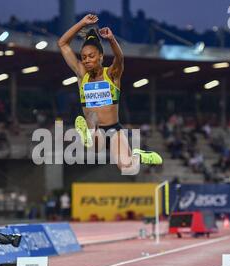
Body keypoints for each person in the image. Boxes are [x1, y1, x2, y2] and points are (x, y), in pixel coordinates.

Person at [57, 14, 162, 174]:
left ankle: (138, 155)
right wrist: (82, 23)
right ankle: (87, 133)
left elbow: (119, 59)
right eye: (83, 57)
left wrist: (112, 39)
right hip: (95, 129)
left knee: (128, 168)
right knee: (94, 142)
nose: (86, 60)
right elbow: (63, 44)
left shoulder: (112, 74)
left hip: (114, 129)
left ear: (100, 56)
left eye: (91, 56)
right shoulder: (81, 75)